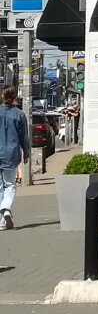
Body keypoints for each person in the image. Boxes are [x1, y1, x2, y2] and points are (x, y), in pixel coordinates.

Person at [0, 85, 30, 230]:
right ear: (15, 97)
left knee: (0, 187)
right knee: (10, 184)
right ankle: (6, 208)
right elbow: (24, 137)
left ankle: (1, 222)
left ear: (2, 96)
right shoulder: (19, 114)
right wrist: (26, 152)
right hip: (11, 153)